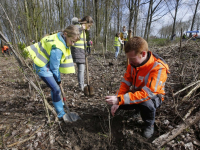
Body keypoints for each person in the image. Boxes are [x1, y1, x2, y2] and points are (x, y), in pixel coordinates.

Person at [105, 36, 170, 138]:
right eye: (128, 59)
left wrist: (119, 99)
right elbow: (125, 83)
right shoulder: (133, 64)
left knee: (146, 103)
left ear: (143, 54)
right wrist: (118, 99)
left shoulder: (158, 67)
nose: (129, 62)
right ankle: (138, 109)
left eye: (132, 59)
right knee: (115, 101)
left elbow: (148, 94)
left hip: (153, 97)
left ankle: (149, 124)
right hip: (136, 93)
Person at [24, 25, 80, 123]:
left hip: (46, 63)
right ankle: (61, 113)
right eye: (72, 41)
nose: (73, 44)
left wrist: (57, 80)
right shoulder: (58, 48)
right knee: (56, 88)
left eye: (75, 42)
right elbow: (54, 68)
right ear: (66, 34)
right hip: (42, 66)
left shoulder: (59, 36)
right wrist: (58, 80)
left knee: (55, 88)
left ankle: (58, 101)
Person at [71, 16, 94, 91]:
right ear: (86, 23)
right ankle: (81, 86)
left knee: (82, 69)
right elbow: (74, 34)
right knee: (81, 69)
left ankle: (81, 84)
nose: (89, 27)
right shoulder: (78, 27)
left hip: (82, 51)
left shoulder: (85, 29)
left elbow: (87, 39)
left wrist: (88, 31)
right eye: (89, 25)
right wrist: (81, 29)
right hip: (77, 50)